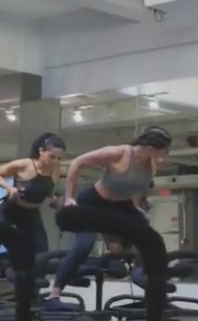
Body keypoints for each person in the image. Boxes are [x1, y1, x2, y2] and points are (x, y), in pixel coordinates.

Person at [44, 127, 172, 310]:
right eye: (164, 151)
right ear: (151, 148)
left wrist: (136, 209)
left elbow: (137, 187)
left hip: (122, 205)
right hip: (94, 202)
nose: (166, 155)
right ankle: (54, 295)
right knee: (84, 245)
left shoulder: (151, 164)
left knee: (150, 239)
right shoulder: (119, 153)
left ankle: (155, 295)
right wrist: (70, 198)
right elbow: (77, 163)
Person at [0, 133, 65, 302]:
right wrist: (9, 188)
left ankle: (32, 293)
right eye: (52, 156)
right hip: (7, 209)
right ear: (41, 151)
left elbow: (45, 189)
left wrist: (53, 200)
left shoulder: (55, 170)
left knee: (42, 251)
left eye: (59, 158)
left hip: (30, 213)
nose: (55, 161)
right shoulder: (24, 164)